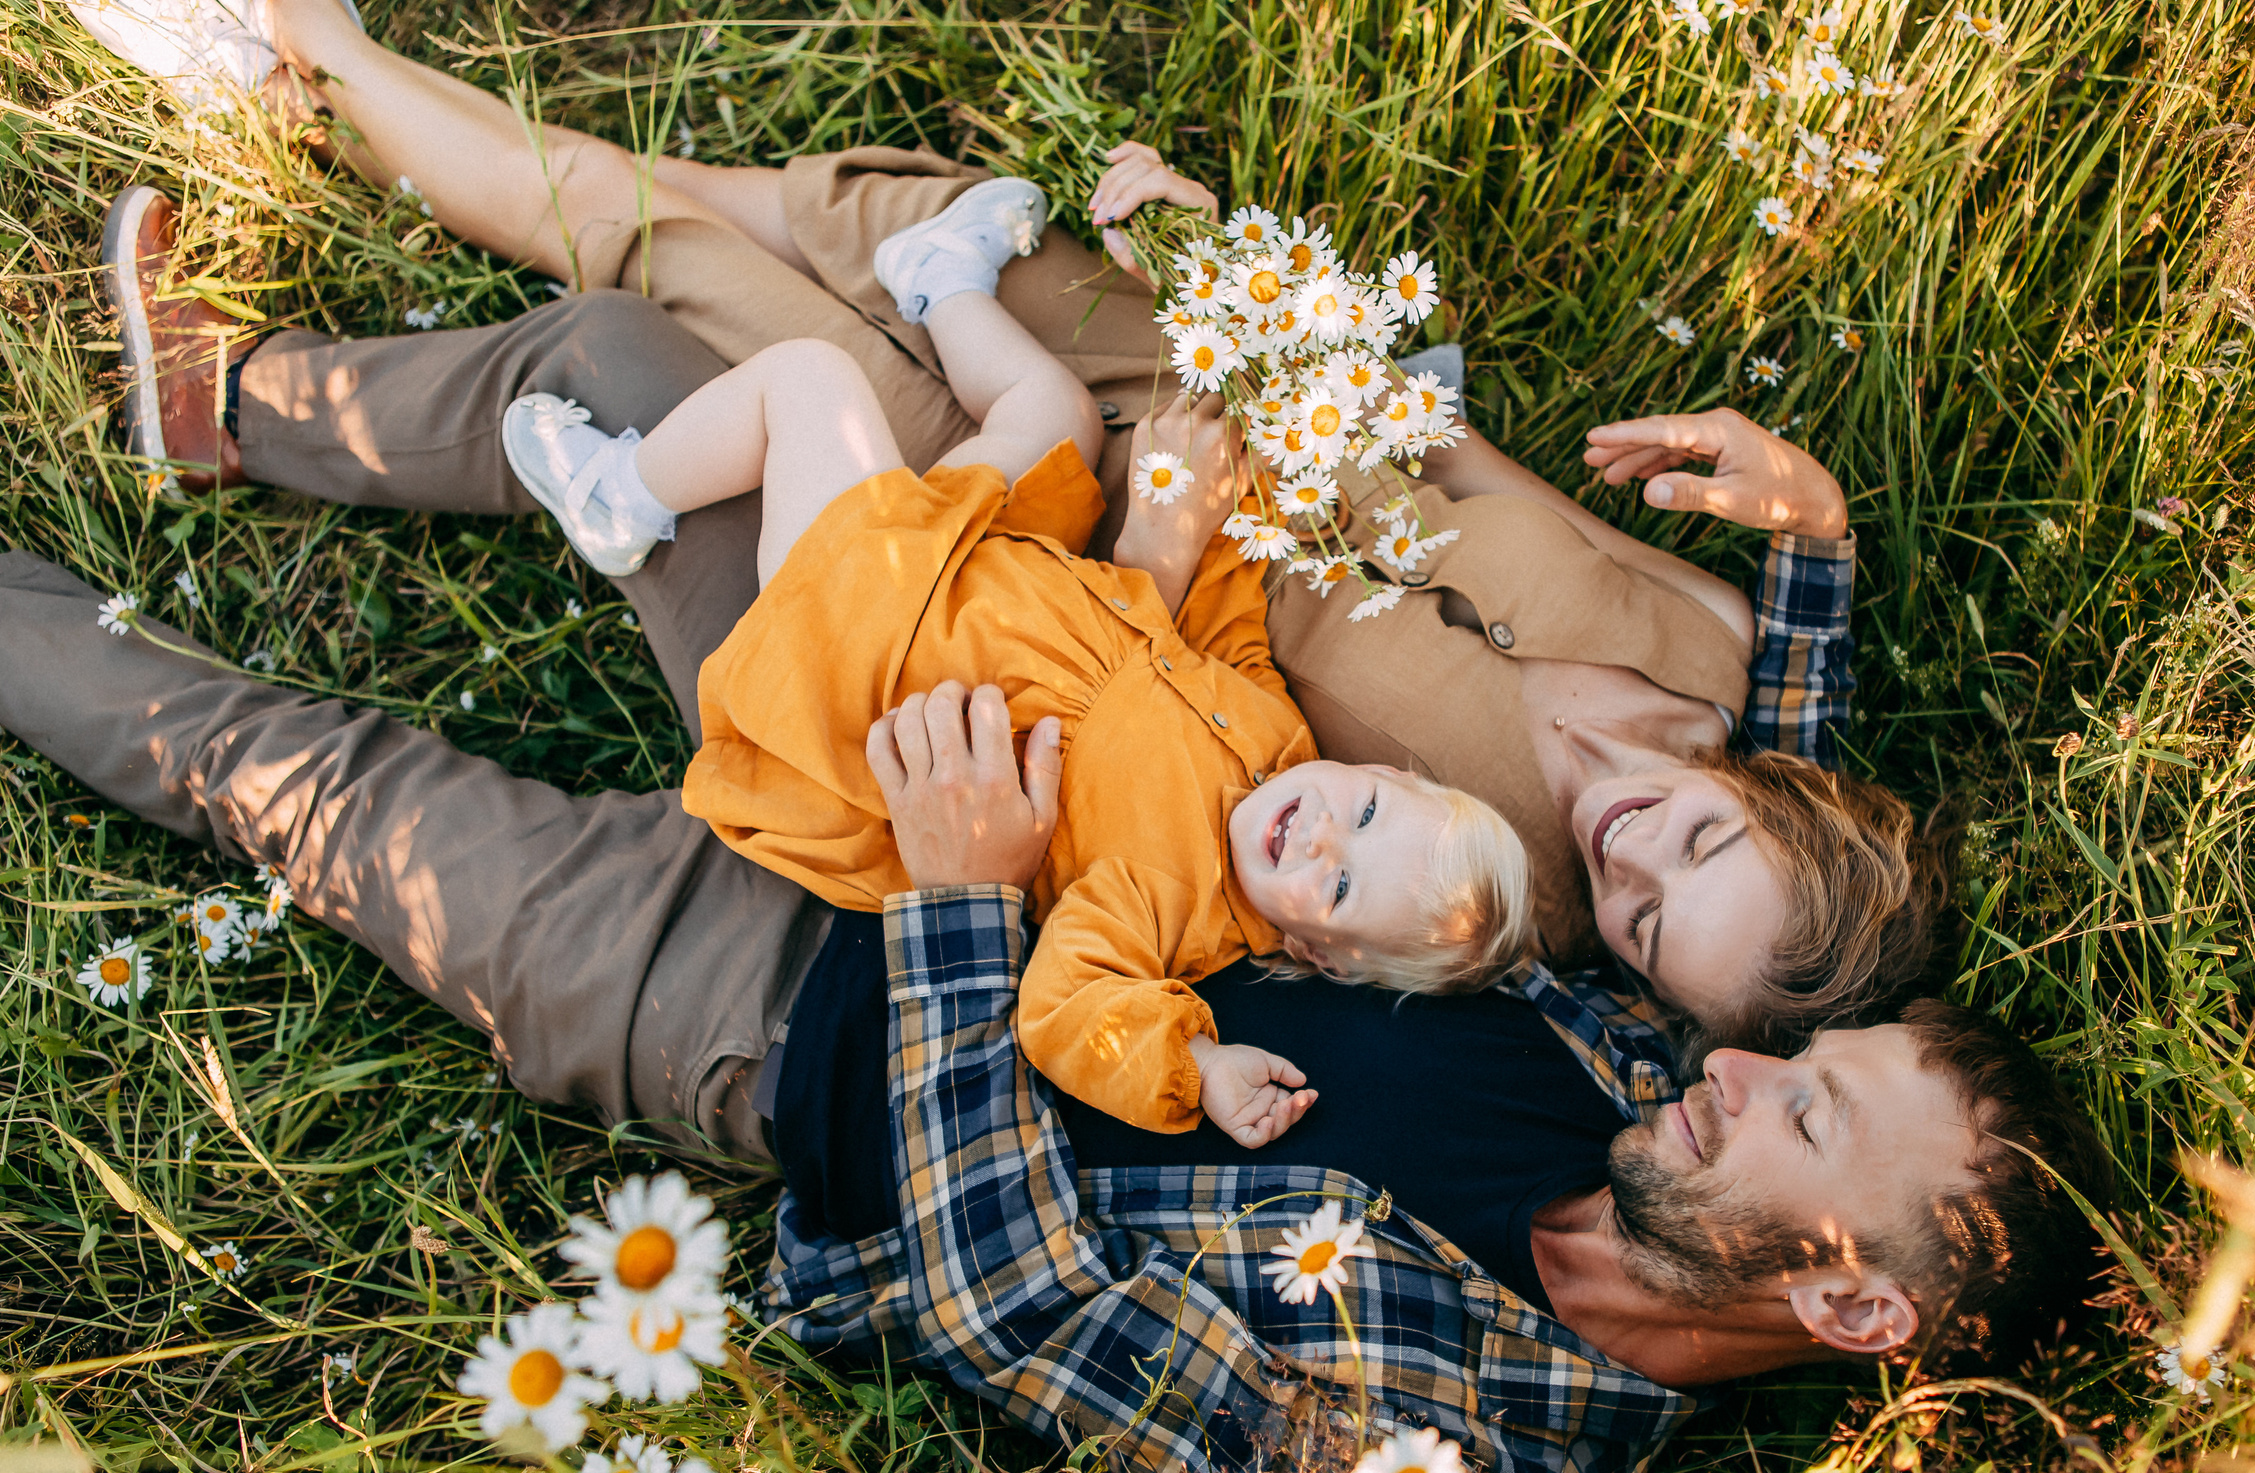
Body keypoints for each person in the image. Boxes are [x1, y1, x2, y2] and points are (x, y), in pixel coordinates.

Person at [0, 536, 2112, 1473]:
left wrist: (951, 899)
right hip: (990, 753)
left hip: (774, 1008)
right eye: (1783, 1060)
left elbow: (1006, 1298)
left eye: (1803, 1106)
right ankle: (262, 377)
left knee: (297, 777)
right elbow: (1776, 927)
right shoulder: (1644, 1087)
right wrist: (1810, 560)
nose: (1739, 1077)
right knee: (644, 397)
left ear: (1852, 1303)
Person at [75, 0, 1948, 1050]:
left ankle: (301, 59)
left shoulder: (1487, 902)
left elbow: (1178, 777)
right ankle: (350, 98)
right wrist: (1219, 271)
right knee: (822, 208)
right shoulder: (1721, 645)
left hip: (1059, 558)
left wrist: (1154, 548)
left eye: (1646, 924)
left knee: (689, 268)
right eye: (1699, 836)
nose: (1630, 852)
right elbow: (1445, 457)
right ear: (1788, 788)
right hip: (1199, 389)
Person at [496, 182, 1535, 1142]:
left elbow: (1070, 1009)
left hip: (880, 639)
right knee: (1056, 413)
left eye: (1340, 885)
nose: (1318, 836)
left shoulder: (1167, 903)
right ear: (1376, 771)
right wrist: (1238, 482)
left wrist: (1195, 1065)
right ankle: (937, 277)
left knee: (809, 385)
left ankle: (622, 497)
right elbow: (1224, 624)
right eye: (1364, 813)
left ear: (1314, 954)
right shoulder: (1280, 741)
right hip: (1000, 571)